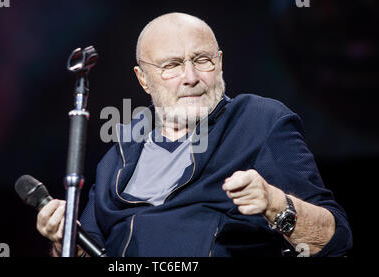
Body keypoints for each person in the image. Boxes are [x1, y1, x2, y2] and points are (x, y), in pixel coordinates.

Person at [36, 12, 352, 257]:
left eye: (202, 60)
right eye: (171, 65)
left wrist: (275, 203)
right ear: (144, 79)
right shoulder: (121, 151)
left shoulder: (259, 121)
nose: (191, 77)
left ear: (220, 63)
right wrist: (62, 239)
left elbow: (334, 239)